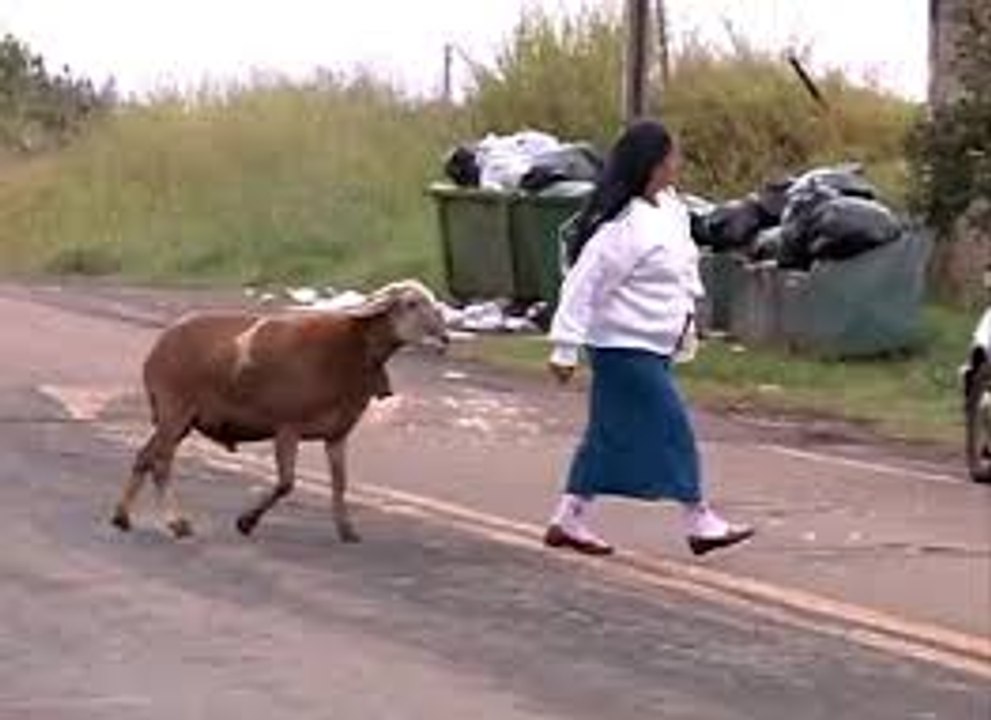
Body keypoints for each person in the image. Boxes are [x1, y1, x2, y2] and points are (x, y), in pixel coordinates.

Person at [544, 119, 754, 557]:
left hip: (655, 345)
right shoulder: (623, 227)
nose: (678, 164)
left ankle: (569, 516)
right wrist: (565, 347)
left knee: (607, 435)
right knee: (672, 427)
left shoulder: (669, 209)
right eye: (672, 156)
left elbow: (682, 267)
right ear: (653, 164)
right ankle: (699, 519)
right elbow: (583, 285)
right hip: (622, 347)